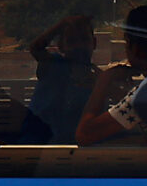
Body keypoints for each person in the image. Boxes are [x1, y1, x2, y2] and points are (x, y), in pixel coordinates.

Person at [76, 4, 147, 145]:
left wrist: (103, 82)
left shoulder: (146, 93)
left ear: (135, 48)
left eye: (126, 42)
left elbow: (84, 134)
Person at [19, 13, 96, 144]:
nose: (79, 46)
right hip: (37, 143)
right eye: (71, 41)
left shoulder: (98, 79)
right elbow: (36, 48)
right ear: (61, 46)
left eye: (84, 39)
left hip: (75, 148)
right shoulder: (53, 65)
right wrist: (62, 24)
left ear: (94, 43)